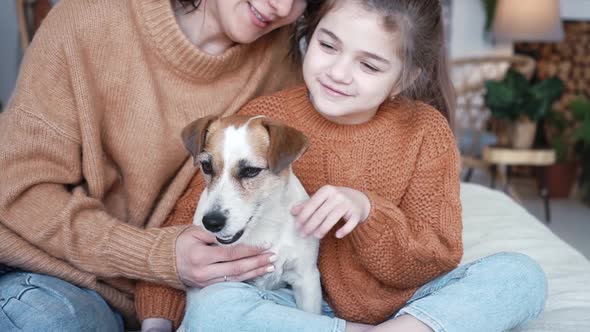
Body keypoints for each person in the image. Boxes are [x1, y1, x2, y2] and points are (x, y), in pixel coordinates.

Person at [136, 0, 548, 331]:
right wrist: (158, 315)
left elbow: (437, 255)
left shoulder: (425, 130)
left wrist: (368, 211)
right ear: (308, 36)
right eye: (328, 45)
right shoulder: (263, 119)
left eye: (368, 65)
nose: (338, 72)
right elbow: (187, 229)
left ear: (405, 78)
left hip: (405, 305)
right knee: (214, 310)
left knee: (522, 276)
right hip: (283, 305)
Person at [0, 0, 318, 330]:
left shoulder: (288, 62)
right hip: (45, 271)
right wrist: (157, 256)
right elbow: (17, 192)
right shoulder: (86, 20)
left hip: (161, 299)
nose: (281, 6)